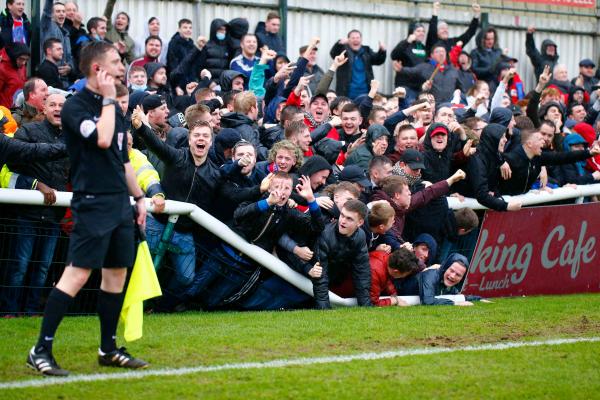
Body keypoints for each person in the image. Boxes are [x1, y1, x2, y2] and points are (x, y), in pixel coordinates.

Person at [27, 41, 148, 376]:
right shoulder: (75, 107)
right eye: (115, 61)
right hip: (92, 204)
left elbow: (123, 161)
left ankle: (107, 349)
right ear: (97, 68)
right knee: (77, 274)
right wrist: (110, 101)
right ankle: (40, 350)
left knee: (115, 275)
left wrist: (139, 199)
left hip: (120, 204)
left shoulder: (113, 108)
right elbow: (103, 139)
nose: (121, 65)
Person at [3, 94, 69, 316]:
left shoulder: (73, 137)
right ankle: (9, 311)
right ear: (44, 108)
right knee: (18, 266)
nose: (58, 109)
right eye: (53, 105)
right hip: (26, 214)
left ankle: (31, 312)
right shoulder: (29, 132)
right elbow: (12, 165)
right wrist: (36, 184)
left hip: (53, 216)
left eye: (62, 105)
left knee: (42, 268)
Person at [500, 128, 600, 195]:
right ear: (529, 143)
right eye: (540, 139)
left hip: (521, 205)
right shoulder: (509, 159)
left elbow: (562, 157)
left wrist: (588, 153)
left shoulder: (538, 158)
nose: (543, 141)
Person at [312, 199, 371, 309]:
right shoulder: (326, 235)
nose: (342, 221)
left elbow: (362, 272)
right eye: (342, 215)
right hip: (306, 277)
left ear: (360, 223)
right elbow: (320, 275)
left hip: (336, 280)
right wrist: (324, 308)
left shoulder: (360, 236)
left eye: (349, 219)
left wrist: (366, 307)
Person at [329, 29, 386, 99]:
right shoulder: (343, 51)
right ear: (348, 40)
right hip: (347, 93)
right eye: (353, 38)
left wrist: (382, 51)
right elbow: (333, 54)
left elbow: (378, 60)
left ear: (361, 39)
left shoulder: (366, 50)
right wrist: (339, 44)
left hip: (365, 93)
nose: (355, 40)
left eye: (357, 38)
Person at [41, 0, 73, 86]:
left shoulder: (67, 34)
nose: (61, 13)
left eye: (63, 11)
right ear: (51, 14)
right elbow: (46, 12)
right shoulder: (48, 26)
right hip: (50, 77)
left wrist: (70, 67)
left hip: (65, 81)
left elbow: (70, 57)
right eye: (58, 11)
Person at [0, 42, 29, 108]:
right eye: (21, 59)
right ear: (14, 56)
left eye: (26, 60)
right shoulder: (2, 69)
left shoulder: (22, 67)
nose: (24, 63)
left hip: (18, 108)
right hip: (5, 111)